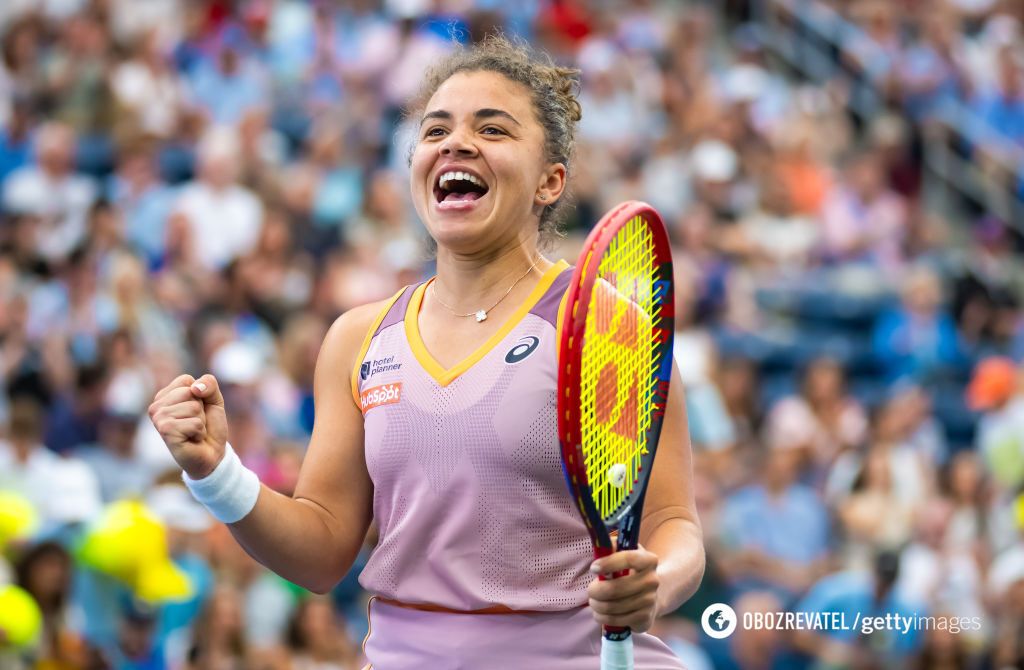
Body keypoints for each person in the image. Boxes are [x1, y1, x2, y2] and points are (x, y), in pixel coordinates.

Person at [147, 36, 704, 669]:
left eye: (492, 129)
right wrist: (216, 474)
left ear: (551, 181)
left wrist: (653, 581)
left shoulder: (607, 328)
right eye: (435, 129)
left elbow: (671, 523)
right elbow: (322, 550)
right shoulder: (359, 338)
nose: (455, 143)